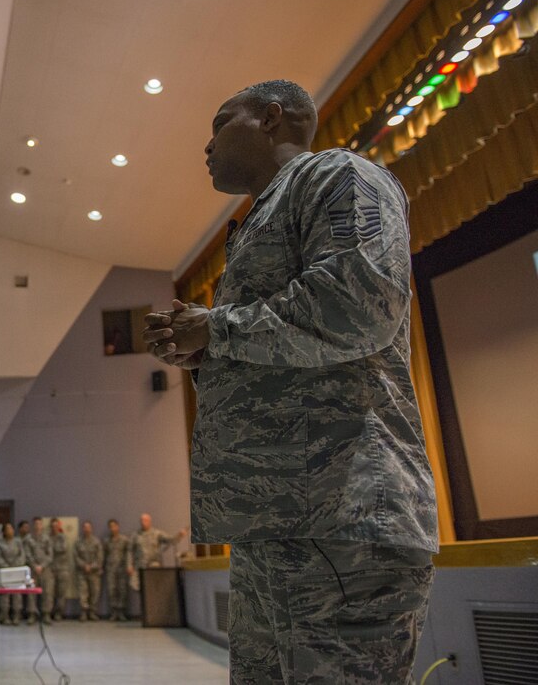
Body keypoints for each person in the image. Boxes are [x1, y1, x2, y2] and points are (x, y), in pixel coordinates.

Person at [143, 79, 438, 683]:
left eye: (220, 123)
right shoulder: (258, 220)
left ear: (272, 118)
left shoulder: (337, 176)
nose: (206, 145)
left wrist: (218, 330)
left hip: (342, 515)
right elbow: (287, 364)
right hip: (277, 523)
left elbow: (361, 306)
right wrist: (206, 355)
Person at [130, 514, 187, 590]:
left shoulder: (157, 534)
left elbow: (171, 540)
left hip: (153, 567)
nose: (143, 522)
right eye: (142, 520)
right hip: (140, 567)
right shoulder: (136, 535)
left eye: (145, 520)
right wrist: (129, 565)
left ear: (150, 522)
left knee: (154, 588)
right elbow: (129, 550)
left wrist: (179, 535)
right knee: (139, 588)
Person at [0, 523, 26, 625]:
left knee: (16, 594)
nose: (9, 531)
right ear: (4, 531)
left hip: (16, 570)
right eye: (7, 529)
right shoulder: (0, 543)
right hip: (5, 572)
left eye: (11, 528)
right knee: (5, 595)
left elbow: (22, 555)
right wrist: (5, 565)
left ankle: (16, 616)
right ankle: (5, 616)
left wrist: (16, 564)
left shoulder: (18, 542)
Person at [24, 517, 54, 625]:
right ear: (33, 525)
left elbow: (50, 555)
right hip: (33, 569)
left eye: (39, 524)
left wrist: (42, 566)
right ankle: (32, 614)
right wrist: (34, 566)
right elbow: (27, 554)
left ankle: (46, 614)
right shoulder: (28, 539)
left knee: (47, 592)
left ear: (42, 525)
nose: (37, 526)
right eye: (35, 524)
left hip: (45, 569)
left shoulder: (47, 538)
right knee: (31, 593)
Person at [73, 521, 104, 622]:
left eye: (88, 527)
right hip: (82, 572)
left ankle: (92, 612)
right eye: (85, 527)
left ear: (91, 529)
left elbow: (100, 557)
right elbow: (76, 556)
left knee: (95, 593)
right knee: (83, 593)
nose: (86, 529)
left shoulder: (96, 542)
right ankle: (84, 613)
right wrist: (84, 566)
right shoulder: (78, 542)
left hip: (94, 573)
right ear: (83, 529)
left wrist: (92, 566)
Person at [104, 519, 132, 621]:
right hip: (110, 569)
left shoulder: (124, 540)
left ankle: (121, 612)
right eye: (110, 526)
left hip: (121, 569)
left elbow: (129, 553)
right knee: (112, 591)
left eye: (114, 526)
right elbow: (104, 555)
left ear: (118, 527)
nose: (112, 528)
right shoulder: (107, 541)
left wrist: (129, 565)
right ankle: (114, 612)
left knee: (122, 590)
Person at [48, 519, 72, 621]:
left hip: (63, 569)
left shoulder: (63, 537)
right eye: (52, 526)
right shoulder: (47, 537)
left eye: (56, 526)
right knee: (49, 593)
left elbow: (62, 548)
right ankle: (48, 612)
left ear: (59, 526)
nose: (54, 528)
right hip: (51, 569)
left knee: (61, 593)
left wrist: (50, 548)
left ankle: (59, 613)